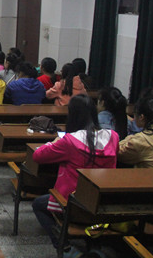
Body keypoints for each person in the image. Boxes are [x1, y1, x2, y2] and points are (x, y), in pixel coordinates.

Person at [32, 95, 118, 253]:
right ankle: (93, 244)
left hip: (74, 205)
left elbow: (38, 156)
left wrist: (54, 142)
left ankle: (63, 245)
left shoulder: (70, 141)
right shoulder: (113, 136)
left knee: (38, 205)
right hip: (103, 204)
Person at [118, 91, 153, 168]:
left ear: (141, 117)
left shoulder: (140, 140)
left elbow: (117, 152)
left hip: (151, 176)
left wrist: (130, 137)